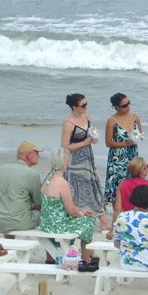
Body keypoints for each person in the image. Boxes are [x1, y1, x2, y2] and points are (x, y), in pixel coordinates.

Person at [61, 93, 109, 230]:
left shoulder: (86, 116)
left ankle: (95, 219)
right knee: (79, 189)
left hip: (87, 158)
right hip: (74, 161)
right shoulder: (68, 124)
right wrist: (85, 142)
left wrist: (93, 138)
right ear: (74, 107)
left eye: (86, 104)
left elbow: (91, 132)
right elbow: (65, 146)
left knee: (92, 186)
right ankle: (101, 220)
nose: (86, 107)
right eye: (83, 105)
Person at [40, 147, 96, 261]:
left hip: (46, 223)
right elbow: (71, 211)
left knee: (81, 217)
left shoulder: (48, 178)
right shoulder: (62, 183)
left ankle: (55, 256)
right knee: (89, 220)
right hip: (57, 225)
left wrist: (81, 211)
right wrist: (83, 213)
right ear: (65, 162)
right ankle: (86, 257)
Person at [0, 141, 43, 234]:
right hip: (17, 222)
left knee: (11, 206)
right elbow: (39, 203)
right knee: (45, 214)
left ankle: (10, 237)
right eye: (37, 154)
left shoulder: (0, 169)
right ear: (29, 156)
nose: (39, 156)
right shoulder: (32, 174)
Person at [104, 92, 143, 205]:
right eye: (125, 105)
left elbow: (140, 134)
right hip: (117, 158)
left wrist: (138, 138)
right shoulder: (112, 121)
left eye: (128, 103)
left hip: (132, 155)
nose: (128, 106)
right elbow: (108, 142)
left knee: (133, 184)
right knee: (117, 187)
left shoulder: (135, 117)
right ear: (116, 107)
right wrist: (125, 143)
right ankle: (117, 210)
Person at [106, 157, 148, 239]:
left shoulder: (123, 184)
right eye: (147, 166)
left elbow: (117, 209)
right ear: (143, 170)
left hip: (127, 223)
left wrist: (112, 229)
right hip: (146, 224)